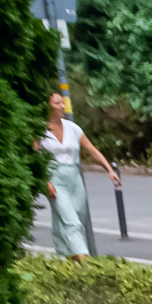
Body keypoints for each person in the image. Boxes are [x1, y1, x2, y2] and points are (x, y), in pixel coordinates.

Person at [40, 91, 119, 260]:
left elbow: (91, 150)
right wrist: (44, 182)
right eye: (57, 104)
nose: (62, 106)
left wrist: (109, 170)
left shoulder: (72, 128)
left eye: (62, 103)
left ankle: (65, 258)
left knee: (75, 220)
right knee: (71, 222)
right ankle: (86, 264)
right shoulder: (40, 130)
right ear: (47, 106)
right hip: (55, 178)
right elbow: (33, 159)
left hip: (75, 179)